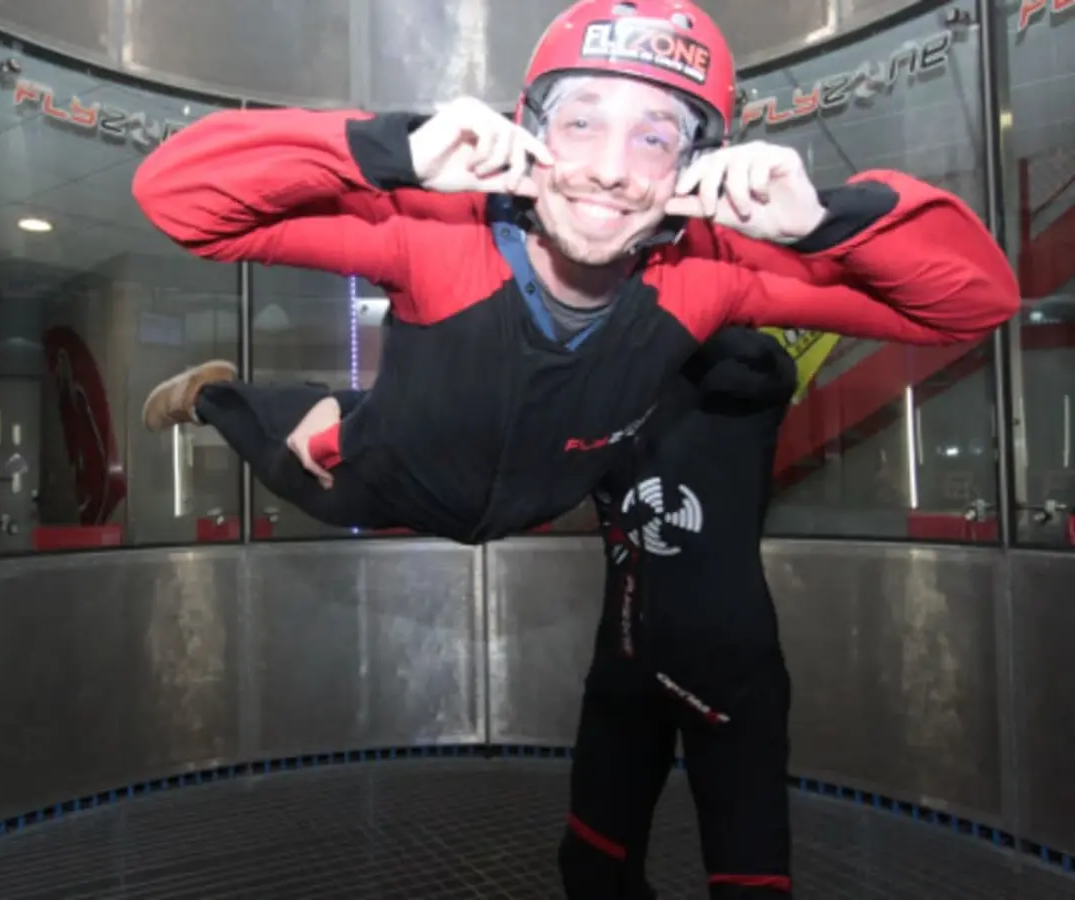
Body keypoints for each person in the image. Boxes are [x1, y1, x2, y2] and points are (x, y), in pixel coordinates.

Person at [132, 0, 1018, 546]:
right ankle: (219, 397)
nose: (611, 167)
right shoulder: (432, 233)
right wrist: (386, 149)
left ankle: (328, 417)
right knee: (301, 455)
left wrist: (826, 221)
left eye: (656, 135)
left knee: (346, 429)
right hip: (382, 472)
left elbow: (972, 306)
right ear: (531, 134)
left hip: (538, 493)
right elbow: (179, 200)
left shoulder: (712, 274)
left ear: (694, 169)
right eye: (582, 122)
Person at [560, 326, 809, 899]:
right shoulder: (599, 381)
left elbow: (760, 368)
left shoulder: (738, 370)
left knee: (748, 882)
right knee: (591, 863)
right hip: (627, 664)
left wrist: (677, 322)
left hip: (725, 674)